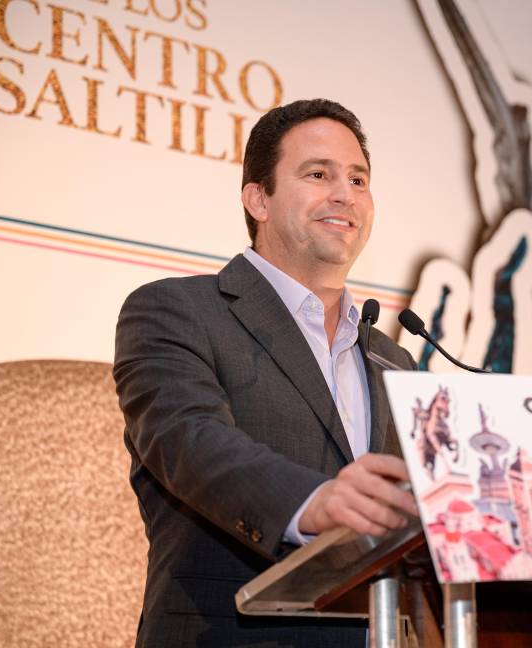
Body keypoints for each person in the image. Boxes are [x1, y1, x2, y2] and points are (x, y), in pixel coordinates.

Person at [113, 98, 419, 647]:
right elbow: (189, 440)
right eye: (318, 174)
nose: (345, 193)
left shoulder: (394, 360)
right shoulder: (175, 311)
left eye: (358, 179)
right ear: (258, 199)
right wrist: (314, 501)